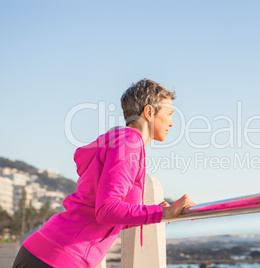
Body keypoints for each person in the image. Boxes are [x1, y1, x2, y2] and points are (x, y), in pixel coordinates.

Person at [13, 79, 195, 268]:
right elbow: (106, 210)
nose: (172, 123)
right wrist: (164, 212)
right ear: (149, 112)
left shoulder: (122, 141)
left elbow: (112, 216)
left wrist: (156, 210)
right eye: (170, 114)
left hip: (47, 251)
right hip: (58, 257)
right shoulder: (129, 143)